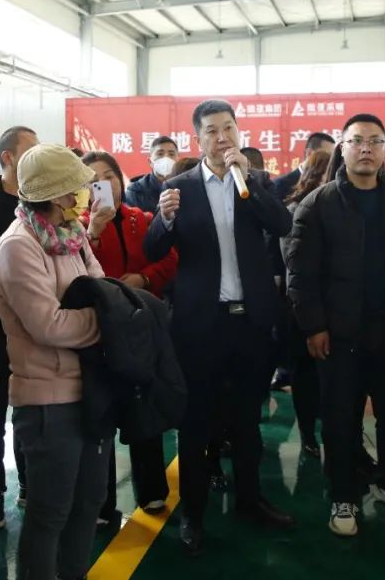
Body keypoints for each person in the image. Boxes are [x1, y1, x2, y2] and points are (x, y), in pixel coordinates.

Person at [144, 99, 294, 557]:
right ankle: (193, 513)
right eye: (212, 130)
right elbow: (153, 250)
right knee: (196, 424)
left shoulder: (257, 181)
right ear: (198, 139)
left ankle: (250, 500)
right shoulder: (179, 188)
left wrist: (247, 180)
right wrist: (164, 218)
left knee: (248, 421)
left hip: (251, 323)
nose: (222, 137)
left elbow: (282, 223)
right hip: (200, 325)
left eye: (229, 128)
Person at [285, 114, 385, 537]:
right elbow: (300, 274)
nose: (366, 148)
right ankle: (343, 495)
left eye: (375, 141)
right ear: (343, 148)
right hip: (339, 334)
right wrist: (313, 326)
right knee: (340, 419)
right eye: (357, 141)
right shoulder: (319, 203)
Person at [0, 144, 110, 580]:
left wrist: (105, 311)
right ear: (57, 194)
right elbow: (49, 325)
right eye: (77, 188)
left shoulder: (72, 235)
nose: (84, 195)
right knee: (51, 513)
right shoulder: (17, 246)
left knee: (88, 502)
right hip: (47, 401)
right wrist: (108, 322)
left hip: (90, 391)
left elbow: (100, 286)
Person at [81, 150, 179, 520]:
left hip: (140, 328)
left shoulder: (142, 218)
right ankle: (102, 502)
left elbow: (169, 258)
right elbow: (75, 268)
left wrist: (143, 279)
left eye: (109, 175)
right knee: (102, 414)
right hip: (99, 332)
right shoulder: (79, 226)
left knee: (144, 408)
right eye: (93, 180)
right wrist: (93, 231)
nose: (104, 184)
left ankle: (151, 491)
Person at [0, 126, 39, 529]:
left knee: (29, 412)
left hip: (33, 330)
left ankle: (29, 482)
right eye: (30, 150)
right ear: (8, 157)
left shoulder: (39, 204)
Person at [278, 149, 332, 457]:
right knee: (305, 372)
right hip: (302, 302)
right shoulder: (294, 209)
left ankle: (325, 430)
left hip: (334, 304)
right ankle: (308, 432)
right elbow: (292, 261)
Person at [274, 132, 336, 203]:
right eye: (326, 154)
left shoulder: (331, 182)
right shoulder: (280, 184)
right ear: (309, 153)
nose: (330, 160)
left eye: (332, 156)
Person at [125, 135, 178, 213]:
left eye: (171, 154)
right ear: (150, 162)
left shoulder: (186, 186)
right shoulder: (135, 192)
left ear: (177, 160)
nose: (166, 158)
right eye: (160, 154)